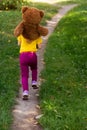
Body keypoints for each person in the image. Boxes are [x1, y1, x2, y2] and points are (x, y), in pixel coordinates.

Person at [17, 35, 42, 100]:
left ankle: (25, 92)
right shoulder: (37, 34)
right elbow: (39, 47)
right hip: (32, 55)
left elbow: (19, 44)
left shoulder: (21, 33)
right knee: (34, 69)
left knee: (24, 75)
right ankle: (34, 81)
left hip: (23, 56)